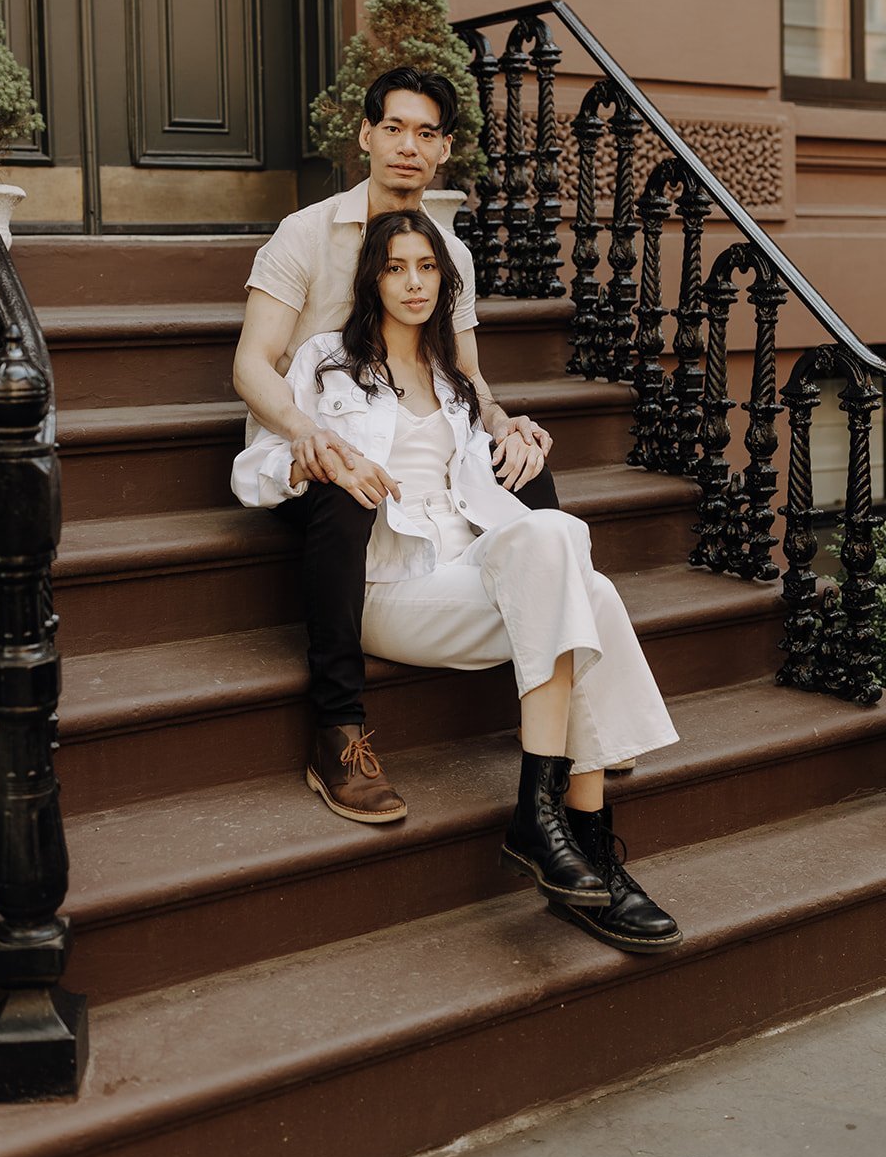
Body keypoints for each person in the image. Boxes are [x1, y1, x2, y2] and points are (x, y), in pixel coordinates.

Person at [233, 212, 682, 953]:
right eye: (396, 267)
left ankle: (573, 842)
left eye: (427, 267)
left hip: (466, 568)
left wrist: (513, 434)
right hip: (389, 585)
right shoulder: (321, 363)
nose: (413, 282)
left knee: (576, 568)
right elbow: (251, 472)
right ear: (371, 280)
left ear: (445, 281)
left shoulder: (455, 382)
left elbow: (492, 487)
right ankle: (568, 832)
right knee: (578, 582)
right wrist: (306, 459)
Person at [232, 67, 562, 826]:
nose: (407, 147)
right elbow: (252, 364)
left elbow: (467, 375)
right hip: (308, 445)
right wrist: (307, 435)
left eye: (425, 133)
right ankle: (338, 731)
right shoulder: (305, 234)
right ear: (366, 135)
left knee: (531, 482)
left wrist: (505, 424)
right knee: (346, 491)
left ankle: (556, 691)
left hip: (416, 439)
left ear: (443, 149)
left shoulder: (447, 254)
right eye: (393, 128)